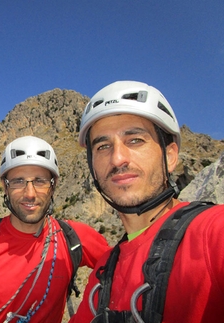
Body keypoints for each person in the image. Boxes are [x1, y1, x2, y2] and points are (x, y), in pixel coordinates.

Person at [69, 80, 224, 323]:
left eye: (135, 140)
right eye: (103, 146)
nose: (118, 158)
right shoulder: (102, 273)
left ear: (170, 156)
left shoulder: (212, 232)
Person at [0, 136, 109, 323]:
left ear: (53, 187)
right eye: (18, 181)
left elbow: (125, 272)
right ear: (4, 187)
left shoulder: (73, 238)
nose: (30, 193)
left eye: (40, 181)